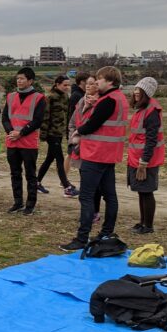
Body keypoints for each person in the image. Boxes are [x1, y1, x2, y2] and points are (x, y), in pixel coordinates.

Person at [60, 65, 128, 252]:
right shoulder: (120, 98)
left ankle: (82, 238)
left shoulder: (108, 100)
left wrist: (78, 133)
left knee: (87, 196)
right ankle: (106, 233)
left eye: (100, 79)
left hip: (96, 153)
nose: (97, 82)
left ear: (110, 81)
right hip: (109, 154)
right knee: (110, 195)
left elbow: (93, 123)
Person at [1, 67, 46, 215]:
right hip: (12, 141)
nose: (19, 81)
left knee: (30, 174)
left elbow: (37, 121)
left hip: (28, 143)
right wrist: (11, 132)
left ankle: (30, 204)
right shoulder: (11, 96)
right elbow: (5, 118)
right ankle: (17, 202)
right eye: (18, 78)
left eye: (22, 79)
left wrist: (21, 133)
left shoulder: (39, 98)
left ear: (30, 81)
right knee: (15, 173)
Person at [127, 76, 165, 235]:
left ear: (146, 93)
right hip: (137, 158)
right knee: (141, 191)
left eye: (139, 90)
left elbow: (151, 140)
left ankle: (148, 225)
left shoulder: (152, 112)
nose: (136, 92)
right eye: (135, 89)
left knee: (146, 191)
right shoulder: (143, 109)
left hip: (146, 160)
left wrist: (144, 163)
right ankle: (142, 222)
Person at [67, 74, 102, 227]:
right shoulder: (81, 101)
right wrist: (73, 139)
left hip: (93, 148)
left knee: (94, 183)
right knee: (84, 180)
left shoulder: (101, 103)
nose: (89, 86)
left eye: (93, 84)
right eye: (87, 84)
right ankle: (87, 211)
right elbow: (73, 123)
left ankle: (94, 212)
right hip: (79, 146)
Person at [36, 75, 78, 198]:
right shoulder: (50, 97)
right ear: (57, 84)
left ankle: (36, 182)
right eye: (64, 85)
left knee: (49, 158)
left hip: (59, 133)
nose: (67, 87)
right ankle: (67, 187)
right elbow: (45, 117)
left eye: (68, 85)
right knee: (59, 159)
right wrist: (43, 135)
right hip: (51, 133)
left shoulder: (65, 97)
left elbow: (66, 116)